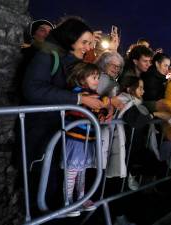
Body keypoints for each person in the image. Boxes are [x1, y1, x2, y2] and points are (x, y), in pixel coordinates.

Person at [22, 17, 104, 211]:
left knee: (54, 183)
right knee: (41, 183)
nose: (87, 47)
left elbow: (82, 87)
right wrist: (80, 100)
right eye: (84, 42)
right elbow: (33, 89)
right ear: (70, 37)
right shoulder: (47, 55)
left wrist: (102, 104)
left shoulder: (68, 59)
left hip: (58, 130)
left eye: (90, 43)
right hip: (41, 130)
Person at [63, 62, 111, 217]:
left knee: (82, 170)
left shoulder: (91, 94)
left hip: (87, 139)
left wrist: (105, 112)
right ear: (82, 79)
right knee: (72, 172)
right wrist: (108, 102)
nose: (97, 81)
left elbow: (98, 108)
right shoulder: (79, 93)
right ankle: (68, 201)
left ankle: (82, 197)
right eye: (94, 77)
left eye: (98, 77)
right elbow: (95, 103)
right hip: (76, 139)